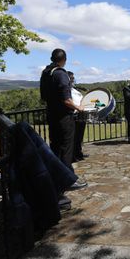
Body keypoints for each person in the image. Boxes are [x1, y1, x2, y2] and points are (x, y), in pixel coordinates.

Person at [40, 49, 86, 190]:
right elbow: (67, 100)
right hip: (64, 118)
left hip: (52, 115)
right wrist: (78, 108)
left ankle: (57, 176)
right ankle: (68, 181)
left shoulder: (46, 73)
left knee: (56, 147)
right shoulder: (61, 74)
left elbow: (43, 97)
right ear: (64, 59)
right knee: (66, 149)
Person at [68, 71, 88, 162]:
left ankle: (79, 153)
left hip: (81, 115)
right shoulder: (66, 90)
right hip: (73, 115)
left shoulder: (76, 90)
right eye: (71, 78)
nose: (72, 80)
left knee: (79, 137)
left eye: (73, 78)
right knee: (74, 137)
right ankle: (73, 155)